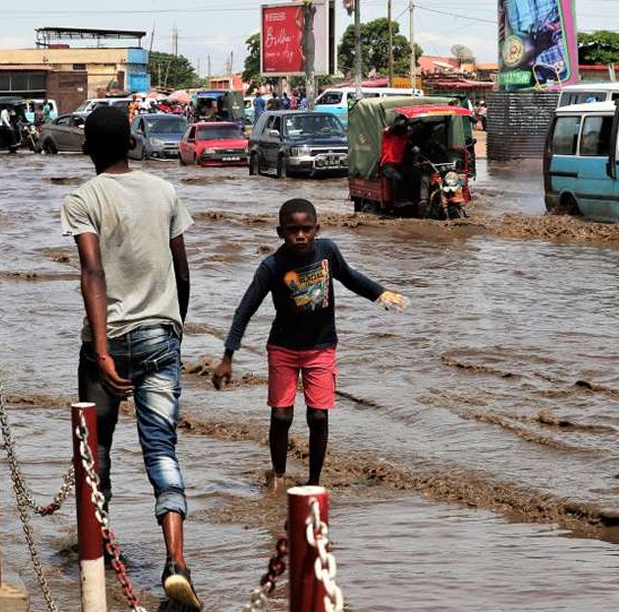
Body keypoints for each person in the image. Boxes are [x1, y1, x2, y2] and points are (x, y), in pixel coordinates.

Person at [59, 106, 200, 609]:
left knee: (97, 451)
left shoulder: (83, 199)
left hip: (109, 340)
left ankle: (97, 552)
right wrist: (174, 328)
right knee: (161, 450)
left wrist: (101, 351)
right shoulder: (165, 192)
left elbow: (92, 273)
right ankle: (176, 561)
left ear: (87, 149)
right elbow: (183, 271)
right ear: (132, 143)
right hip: (162, 336)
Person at [211, 199, 408, 488]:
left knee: (317, 416)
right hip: (283, 349)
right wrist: (228, 355)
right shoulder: (272, 266)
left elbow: (350, 278)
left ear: (317, 228)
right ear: (281, 232)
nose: (300, 235)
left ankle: (314, 482)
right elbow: (245, 309)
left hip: (322, 347)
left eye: (306, 229)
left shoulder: (327, 252)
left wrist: (381, 294)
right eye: (293, 230)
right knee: (281, 416)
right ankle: (277, 476)